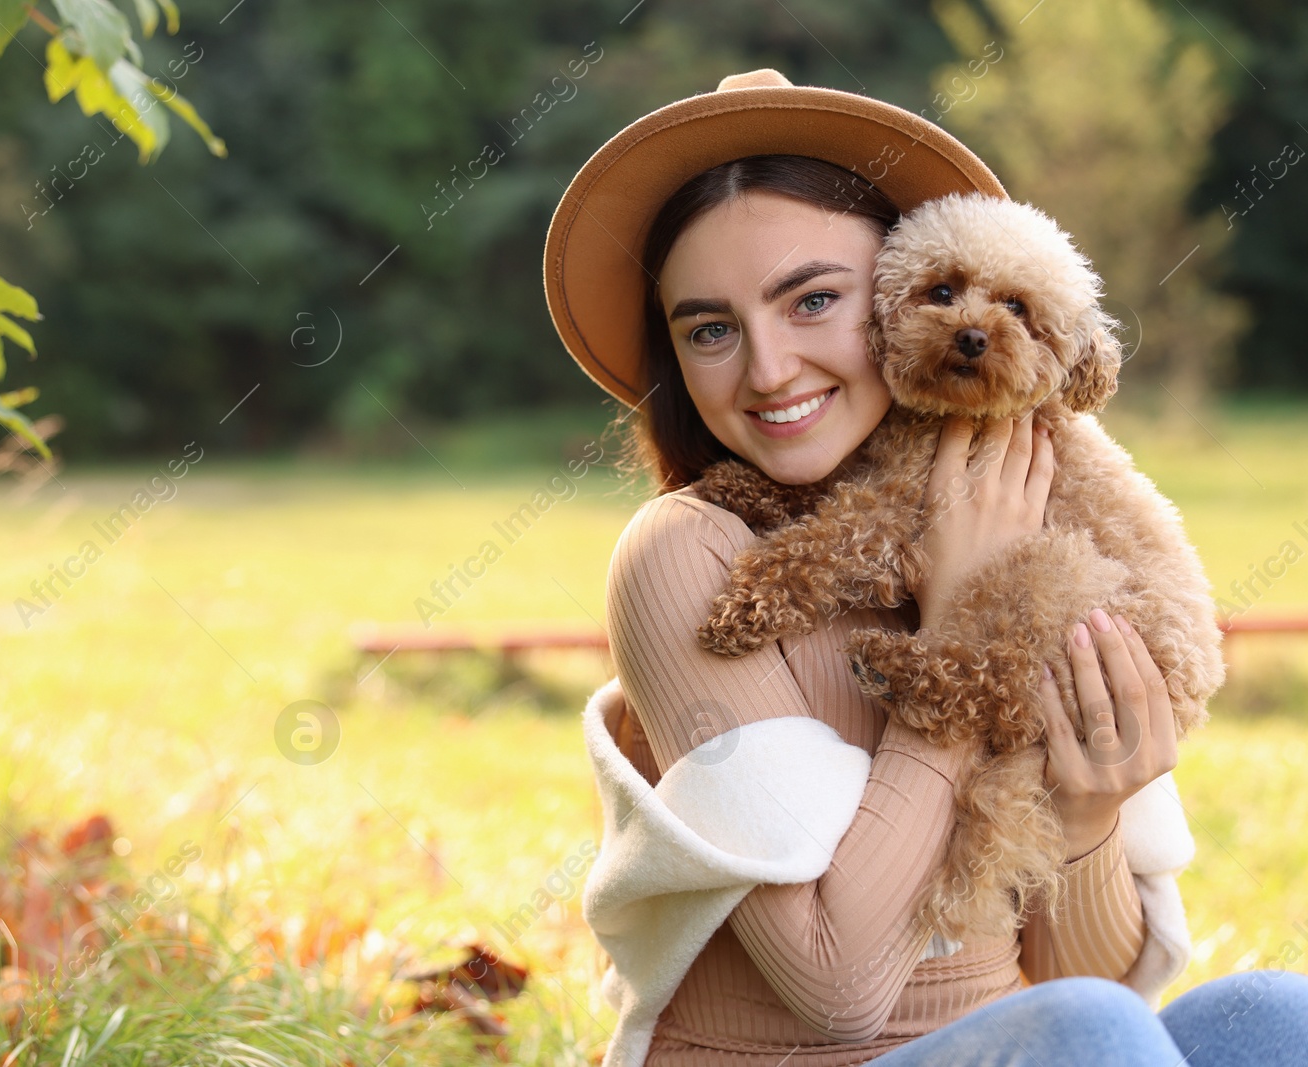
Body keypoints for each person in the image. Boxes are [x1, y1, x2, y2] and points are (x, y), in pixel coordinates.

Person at [544, 68, 1308, 1066]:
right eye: (711, 328)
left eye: (813, 300)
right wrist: (957, 631)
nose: (768, 368)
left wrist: (1084, 813)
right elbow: (837, 987)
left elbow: (1092, 986)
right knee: (1092, 1035)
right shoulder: (687, 551)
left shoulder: (1022, 513)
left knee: (1277, 1015)